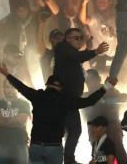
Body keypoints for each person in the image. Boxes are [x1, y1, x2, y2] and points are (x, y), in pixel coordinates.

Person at [0, 62, 111, 164]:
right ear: (60, 88)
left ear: (47, 85)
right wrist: (106, 86)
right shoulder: (65, 100)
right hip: (54, 147)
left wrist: (7, 74)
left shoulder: (37, 96)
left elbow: (20, 87)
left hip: (36, 145)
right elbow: (89, 101)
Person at [53, 27, 110, 164]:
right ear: (67, 39)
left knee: (73, 130)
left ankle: (66, 158)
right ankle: (67, 159)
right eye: (76, 38)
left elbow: (77, 57)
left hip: (71, 99)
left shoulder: (70, 53)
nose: (80, 40)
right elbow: (77, 57)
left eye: (81, 38)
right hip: (64, 99)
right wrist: (95, 51)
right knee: (72, 130)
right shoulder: (62, 48)